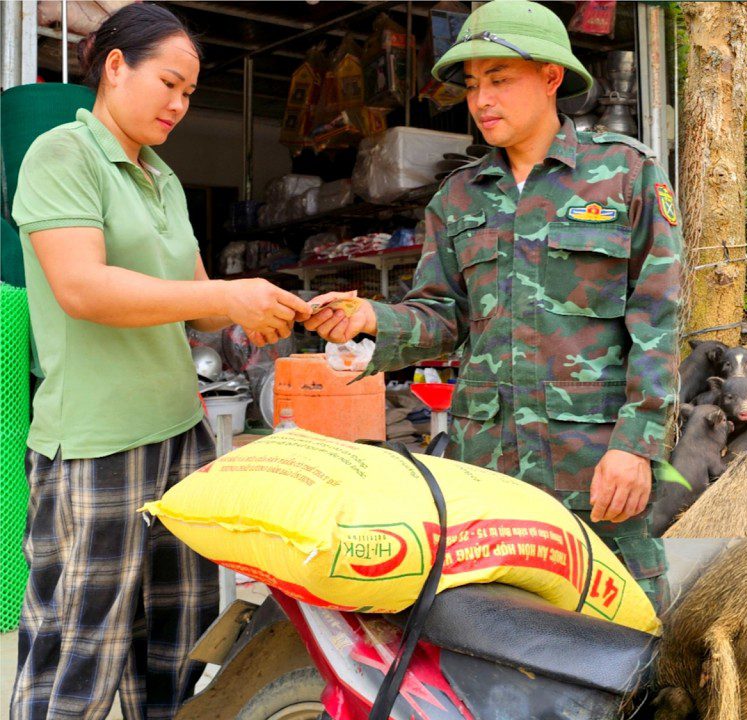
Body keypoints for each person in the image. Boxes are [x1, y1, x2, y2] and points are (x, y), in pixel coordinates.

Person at [305, 0, 682, 608]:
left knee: (622, 640)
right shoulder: (457, 199)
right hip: (489, 467)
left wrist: (635, 446)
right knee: (502, 634)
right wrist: (372, 318)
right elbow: (442, 315)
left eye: (500, 80)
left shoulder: (626, 176)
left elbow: (658, 321)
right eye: (474, 85)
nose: (482, 100)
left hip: (595, 466)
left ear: (551, 77)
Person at [9, 6, 311, 720]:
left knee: (179, 643)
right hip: (96, 444)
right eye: (169, 84)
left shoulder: (162, 178)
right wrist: (225, 294)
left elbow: (199, 306)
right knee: (80, 648)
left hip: (181, 436)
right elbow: (82, 288)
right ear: (115, 66)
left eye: (189, 94)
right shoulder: (62, 155)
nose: (179, 105)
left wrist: (269, 304)